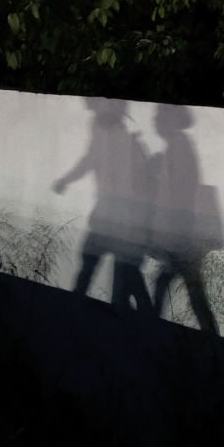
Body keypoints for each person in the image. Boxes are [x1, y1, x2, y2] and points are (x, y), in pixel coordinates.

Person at [52, 99, 152, 311]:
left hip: (121, 214)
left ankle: (76, 310)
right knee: (103, 264)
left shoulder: (123, 139)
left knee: (117, 269)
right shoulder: (101, 130)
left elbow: (125, 180)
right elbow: (90, 160)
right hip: (110, 211)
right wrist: (66, 180)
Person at [147, 105, 219, 334]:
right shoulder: (177, 146)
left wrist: (157, 174)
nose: (156, 121)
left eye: (160, 117)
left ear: (172, 120)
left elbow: (182, 191)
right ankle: (212, 340)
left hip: (183, 234)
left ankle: (150, 335)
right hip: (184, 233)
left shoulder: (179, 146)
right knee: (191, 293)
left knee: (184, 291)